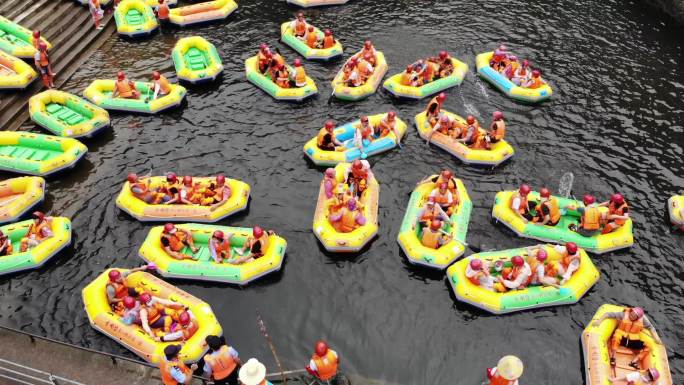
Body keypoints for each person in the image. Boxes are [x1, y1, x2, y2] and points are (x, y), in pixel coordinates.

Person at [592, 306, 663, 369]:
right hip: (622, 338)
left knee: (649, 346)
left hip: (632, 341)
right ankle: (613, 357)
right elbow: (608, 314)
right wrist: (599, 321)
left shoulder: (643, 320)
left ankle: (634, 362)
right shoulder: (623, 315)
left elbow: (651, 328)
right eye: (631, 314)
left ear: (637, 318)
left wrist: (656, 338)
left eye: (634, 316)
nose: (631, 316)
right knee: (617, 336)